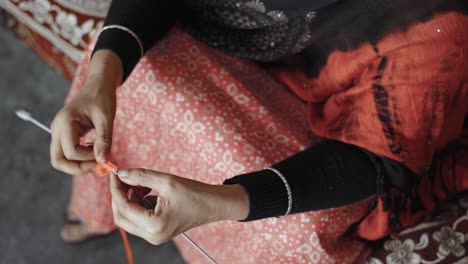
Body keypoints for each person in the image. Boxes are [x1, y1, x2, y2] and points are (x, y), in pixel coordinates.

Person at [50, 0, 468, 262]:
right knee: (123, 72)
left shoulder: (440, 23)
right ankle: (98, 210)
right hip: (220, 34)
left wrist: (222, 202)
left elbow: (374, 157)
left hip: (352, 120)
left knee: (297, 231)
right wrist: (100, 79)